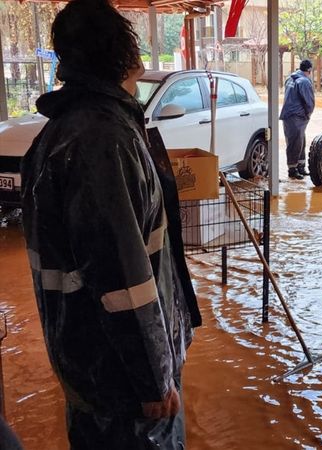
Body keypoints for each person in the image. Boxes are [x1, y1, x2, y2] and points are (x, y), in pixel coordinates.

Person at [20, 0, 202, 447]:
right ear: (123, 51)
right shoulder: (103, 140)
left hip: (91, 363)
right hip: (124, 383)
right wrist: (153, 377)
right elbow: (123, 278)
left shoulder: (62, 131)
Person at [280, 59, 316, 180]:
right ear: (309, 70)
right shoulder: (304, 81)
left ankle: (300, 166)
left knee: (299, 141)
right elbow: (309, 102)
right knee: (295, 143)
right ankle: (292, 170)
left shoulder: (290, 78)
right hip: (297, 116)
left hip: (288, 115)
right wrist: (308, 114)